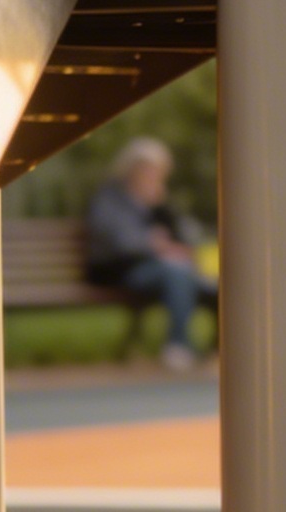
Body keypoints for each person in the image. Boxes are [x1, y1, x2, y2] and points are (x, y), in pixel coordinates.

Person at [82, 137, 216, 371]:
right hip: (120, 270)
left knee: (212, 282)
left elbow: (189, 235)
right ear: (130, 170)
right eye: (147, 170)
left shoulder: (159, 201)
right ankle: (178, 345)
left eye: (157, 171)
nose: (152, 176)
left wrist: (163, 209)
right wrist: (152, 243)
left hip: (163, 269)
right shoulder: (110, 199)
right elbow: (117, 241)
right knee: (177, 271)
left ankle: (218, 347)